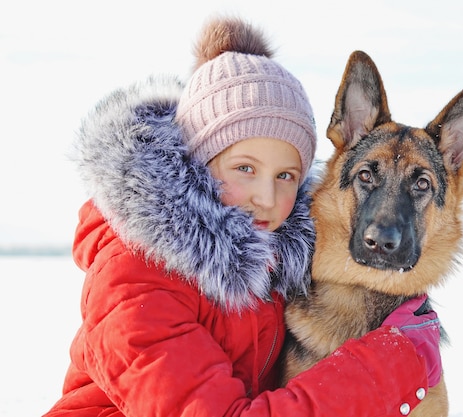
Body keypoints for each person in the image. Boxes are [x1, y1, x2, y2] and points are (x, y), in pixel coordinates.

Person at [44, 15, 442, 417]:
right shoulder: (133, 277)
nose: (266, 198)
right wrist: (388, 365)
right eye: (245, 169)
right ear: (197, 161)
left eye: (286, 176)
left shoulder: (275, 267)